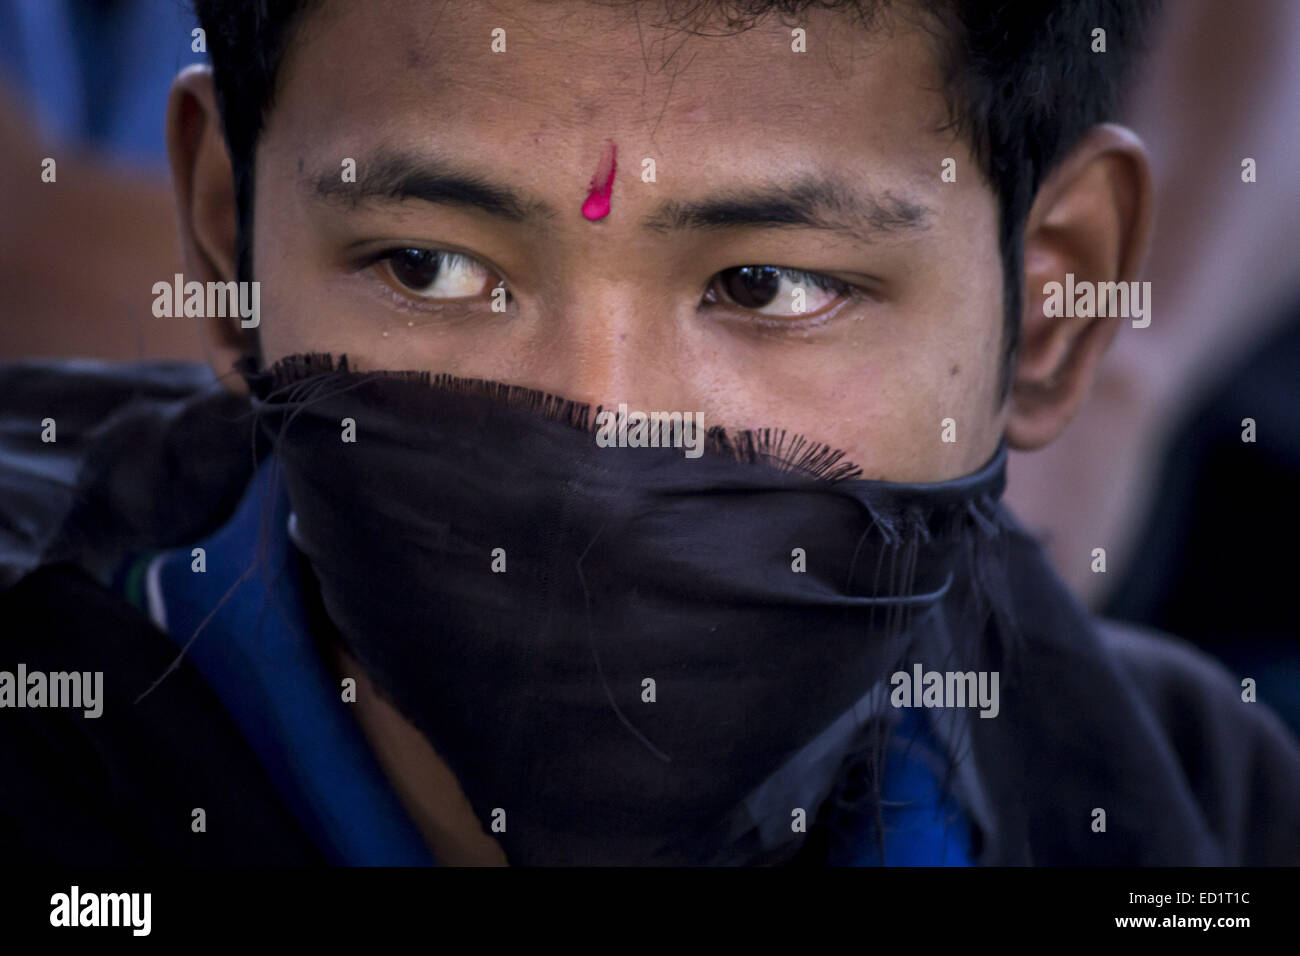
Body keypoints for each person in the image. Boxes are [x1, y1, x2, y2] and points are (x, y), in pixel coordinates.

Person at [1, 0, 1296, 866]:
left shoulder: (1171, 796)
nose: (598, 449)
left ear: (1053, 308)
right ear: (230, 243)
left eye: (768, 288)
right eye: (430, 267)